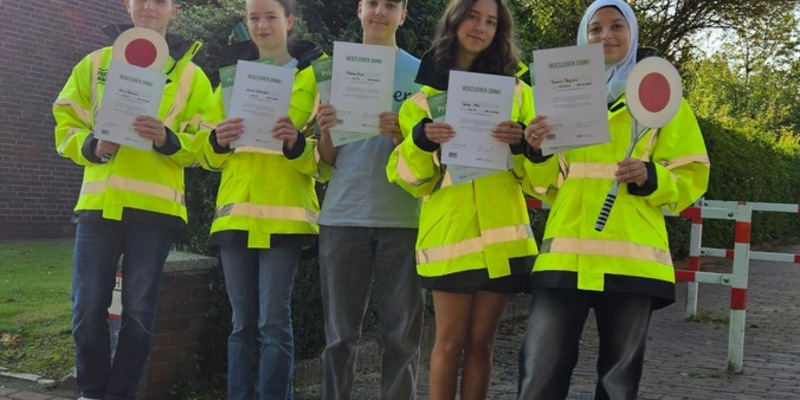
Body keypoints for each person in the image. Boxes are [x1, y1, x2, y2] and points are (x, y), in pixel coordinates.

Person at [516, 1, 710, 399]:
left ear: (633, 34)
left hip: (632, 261)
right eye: (596, 28)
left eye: (616, 26)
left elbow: (693, 176)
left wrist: (651, 177)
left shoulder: (664, 102)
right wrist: (535, 152)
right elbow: (545, 186)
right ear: (583, 37)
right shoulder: (553, 99)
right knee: (539, 373)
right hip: (564, 257)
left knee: (618, 384)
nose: (606, 36)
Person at [52, 0, 213, 399]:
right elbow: (65, 121)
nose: (149, 7)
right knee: (86, 312)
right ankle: (92, 392)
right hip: (98, 206)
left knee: (139, 315)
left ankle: (119, 395)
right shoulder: (95, 63)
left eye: (161, 1)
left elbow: (206, 147)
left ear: (175, 10)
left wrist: (166, 138)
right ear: (128, 3)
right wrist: (92, 145)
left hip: (155, 211)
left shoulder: (192, 76)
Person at [385, 0, 539, 398]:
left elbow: (538, 181)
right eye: (473, 16)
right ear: (455, 21)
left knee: (483, 344)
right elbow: (412, 180)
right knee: (449, 343)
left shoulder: (520, 93)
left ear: (499, 32)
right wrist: (420, 142)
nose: (481, 27)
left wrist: (524, 145)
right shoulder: (421, 100)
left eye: (491, 22)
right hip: (450, 237)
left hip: (503, 238)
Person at [194, 0, 323, 398]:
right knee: (241, 325)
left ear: (289, 21)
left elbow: (324, 160)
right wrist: (217, 140)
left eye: (270, 16)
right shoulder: (231, 81)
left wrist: (298, 144)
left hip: (285, 217)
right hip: (235, 216)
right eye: (253, 17)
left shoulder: (315, 80)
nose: (262, 25)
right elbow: (203, 150)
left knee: (272, 324)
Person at [313, 1, 425, 399]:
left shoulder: (421, 73)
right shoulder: (331, 70)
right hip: (342, 215)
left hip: (404, 218)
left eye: (391, 4)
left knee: (401, 337)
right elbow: (327, 158)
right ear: (359, 10)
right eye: (372, 3)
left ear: (403, 14)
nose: (381, 11)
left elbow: (430, 156)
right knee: (339, 337)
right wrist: (325, 131)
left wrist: (402, 138)